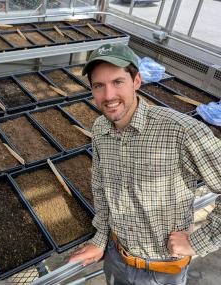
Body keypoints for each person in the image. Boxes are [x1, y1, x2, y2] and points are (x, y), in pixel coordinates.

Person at [68, 43, 221, 285]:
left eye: (118, 82)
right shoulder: (99, 129)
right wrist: (100, 239)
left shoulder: (181, 132)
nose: (108, 96)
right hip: (116, 257)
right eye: (99, 85)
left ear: (137, 81)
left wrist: (197, 241)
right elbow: (100, 187)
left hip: (162, 271)